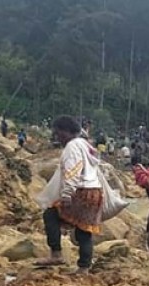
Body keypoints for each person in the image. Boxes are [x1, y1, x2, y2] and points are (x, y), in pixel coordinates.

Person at [34, 116, 103, 273]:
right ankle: (84, 268)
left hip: (80, 192)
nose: (58, 137)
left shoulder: (72, 147)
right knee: (84, 230)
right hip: (94, 191)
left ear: (69, 132)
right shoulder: (86, 145)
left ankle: (56, 254)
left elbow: (74, 170)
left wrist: (67, 194)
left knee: (50, 214)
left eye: (60, 133)